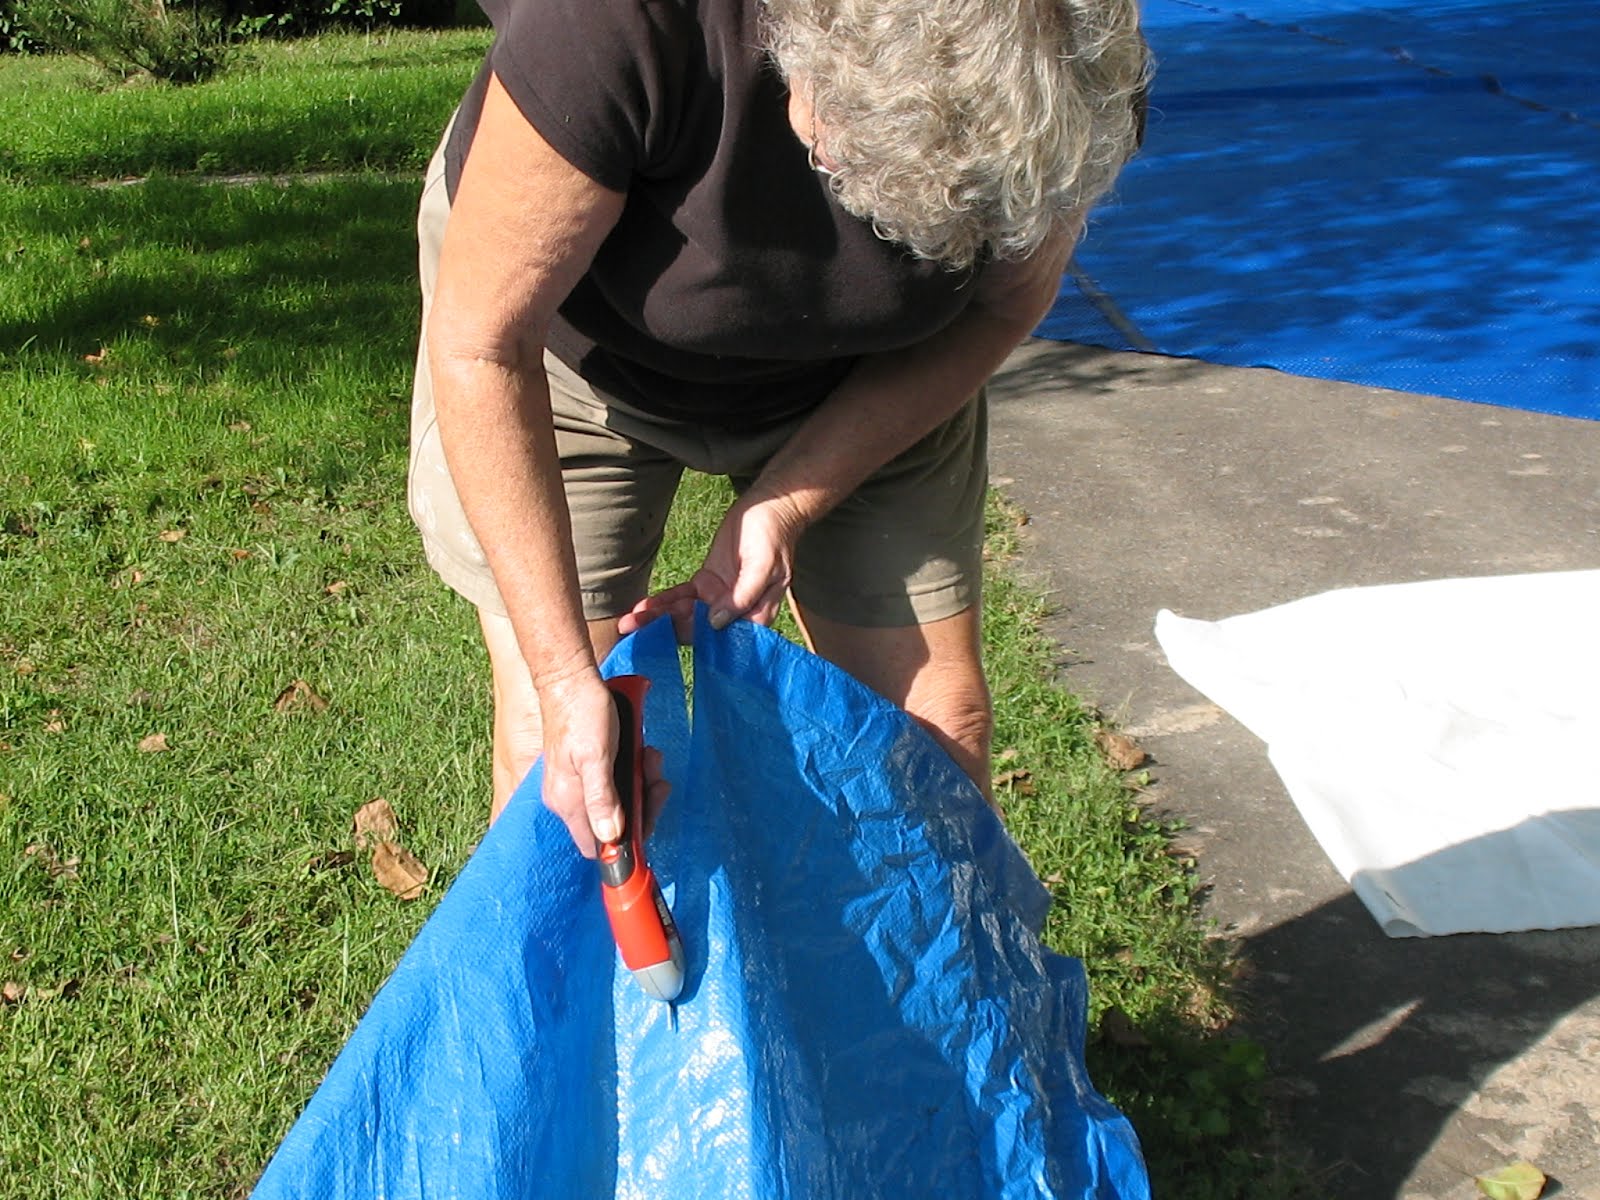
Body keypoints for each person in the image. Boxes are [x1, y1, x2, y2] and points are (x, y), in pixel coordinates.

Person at [408, 0, 1150, 856]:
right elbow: (484, 344)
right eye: (849, 161)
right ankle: (590, 986)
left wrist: (786, 503)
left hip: (870, 373)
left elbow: (1002, 306)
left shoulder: (1063, 75)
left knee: (935, 734)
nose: (854, 221)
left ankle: (903, 990)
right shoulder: (618, 21)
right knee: (560, 752)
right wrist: (564, 677)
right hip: (573, 353)